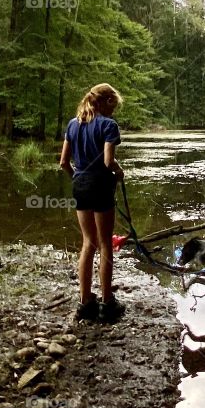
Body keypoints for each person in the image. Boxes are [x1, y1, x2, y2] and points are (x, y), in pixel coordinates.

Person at [59, 82, 125, 322]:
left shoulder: (73, 124)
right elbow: (108, 162)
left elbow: (64, 162)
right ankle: (108, 303)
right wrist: (119, 172)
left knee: (88, 243)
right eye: (113, 106)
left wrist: (78, 178)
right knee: (105, 244)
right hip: (101, 186)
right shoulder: (108, 125)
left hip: (81, 186)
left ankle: (85, 301)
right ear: (107, 102)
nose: (113, 112)